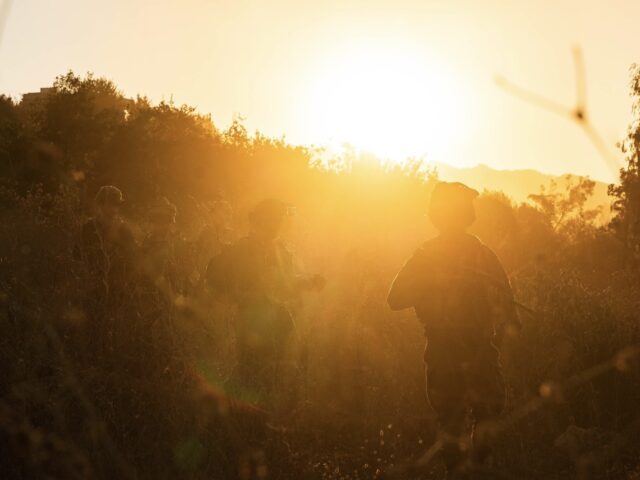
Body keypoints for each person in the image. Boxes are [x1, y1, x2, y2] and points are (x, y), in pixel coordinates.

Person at [387, 181, 520, 477]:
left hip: (453, 353)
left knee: (457, 424)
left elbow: (395, 298)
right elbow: (396, 299)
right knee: (472, 422)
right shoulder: (476, 255)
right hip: (464, 352)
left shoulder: (441, 256)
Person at [207, 199, 325, 406]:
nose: (276, 226)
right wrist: (240, 296)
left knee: (280, 365)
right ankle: (233, 409)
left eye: (278, 222)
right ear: (259, 222)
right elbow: (215, 273)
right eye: (272, 221)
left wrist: (308, 283)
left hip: (275, 319)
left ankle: (261, 410)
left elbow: (286, 283)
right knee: (252, 369)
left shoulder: (279, 251)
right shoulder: (242, 249)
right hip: (252, 318)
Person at [79, 185, 136, 356]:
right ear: (100, 205)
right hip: (94, 285)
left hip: (118, 285)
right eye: (110, 204)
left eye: (117, 205)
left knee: (115, 326)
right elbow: (78, 256)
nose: (114, 208)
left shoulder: (124, 230)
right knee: (93, 325)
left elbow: (134, 259)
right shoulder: (88, 229)